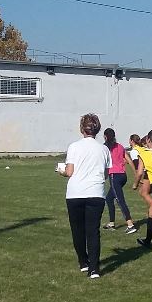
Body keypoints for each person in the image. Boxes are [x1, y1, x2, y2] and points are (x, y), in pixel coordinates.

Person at [59, 114, 111, 279]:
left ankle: (83, 262)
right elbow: (105, 174)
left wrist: (60, 171)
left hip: (75, 193)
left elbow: (69, 172)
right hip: (96, 193)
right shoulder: (104, 149)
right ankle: (94, 269)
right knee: (93, 231)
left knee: (77, 230)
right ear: (97, 129)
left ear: (82, 129)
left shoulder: (74, 146)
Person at [102, 128, 136, 234]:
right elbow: (129, 161)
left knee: (120, 200)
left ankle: (130, 225)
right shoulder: (120, 146)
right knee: (109, 199)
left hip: (114, 176)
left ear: (105, 136)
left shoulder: (104, 148)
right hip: (122, 176)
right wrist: (136, 175)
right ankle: (111, 223)